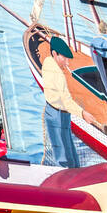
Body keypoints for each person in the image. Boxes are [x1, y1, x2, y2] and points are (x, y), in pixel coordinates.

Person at [41, 35, 91, 167]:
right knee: (62, 155)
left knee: (69, 151)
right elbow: (65, 99)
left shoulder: (52, 65)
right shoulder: (54, 72)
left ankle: (74, 172)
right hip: (55, 112)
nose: (67, 63)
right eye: (64, 58)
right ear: (54, 54)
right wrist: (83, 113)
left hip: (62, 113)